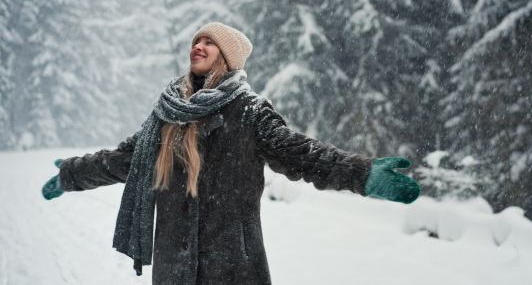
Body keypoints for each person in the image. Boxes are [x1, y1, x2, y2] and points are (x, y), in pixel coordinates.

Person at [41, 22, 422, 284]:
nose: (198, 46)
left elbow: (302, 154)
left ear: (226, 55)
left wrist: (361, 173)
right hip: (174, 269)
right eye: (197, 40)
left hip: (232, 268)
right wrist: (72, 173)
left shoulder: (250, 112)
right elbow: (124, 159)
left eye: (209, 42)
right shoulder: (166, 115)